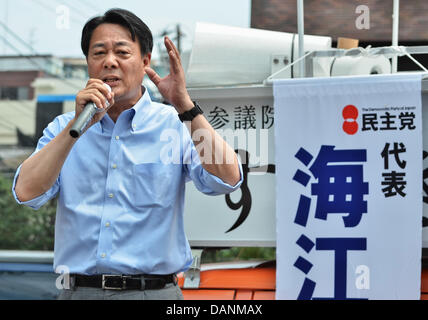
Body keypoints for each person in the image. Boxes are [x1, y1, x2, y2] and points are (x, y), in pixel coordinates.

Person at [12, 8, 242, 300]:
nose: (110, 62)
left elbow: (228, 178)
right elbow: (26, 193)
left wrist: (184, 104)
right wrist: (75, 127)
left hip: (153, 291)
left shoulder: (173, 124)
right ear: (88, 63)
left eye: (122, 52)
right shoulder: (64, 127)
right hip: (78, 292)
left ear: (145, 61)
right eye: (99, 53)